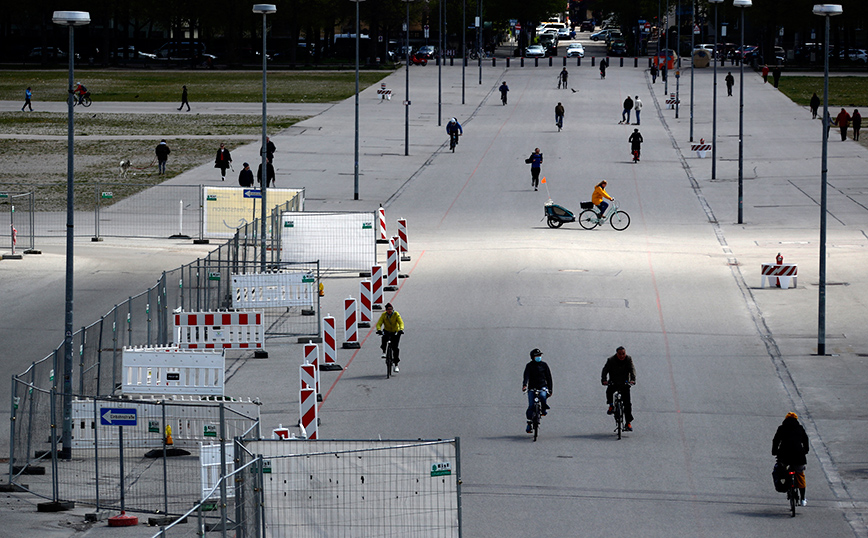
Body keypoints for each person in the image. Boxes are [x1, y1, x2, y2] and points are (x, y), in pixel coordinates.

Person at [772, 412, 810, 506]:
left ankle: (785, 485)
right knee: (800, 475)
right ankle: (803, 498)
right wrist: (805, 450)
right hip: (799, 456)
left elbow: (776, 440)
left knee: (782, 470)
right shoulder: (800, 428)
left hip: (784, 455)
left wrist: (774, 451)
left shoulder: (782, 428)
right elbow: (805, 440)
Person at [601, 346, 636, 432]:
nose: (622, 356)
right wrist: (604, 380)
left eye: (623, 354)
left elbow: (632, 370)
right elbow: (605, 370)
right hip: (614, 382)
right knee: (609, 391)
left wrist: (632, 380)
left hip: (624, 383)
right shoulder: (611, 360)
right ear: (616, 354)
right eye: (620, 354)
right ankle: (611, 405)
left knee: (627, 404)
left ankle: (628, 423)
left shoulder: (628, 359)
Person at [522, 348, 552, 434]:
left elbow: (549, 378)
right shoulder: (529, 366)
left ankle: (543, 408)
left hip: (542, 386)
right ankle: (529, 423)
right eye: (537, 356)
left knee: (543, 396)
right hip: (532, 388)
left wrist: (550, 389)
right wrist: (524, 385)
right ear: (532, 357)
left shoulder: (544, 365)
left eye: (539, 356)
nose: (539, 357)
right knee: (531, 406)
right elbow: (526, 376)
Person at [375, 303, 404, 372]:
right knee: (384, 339)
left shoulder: (396, 314)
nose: (390, 311)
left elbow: (401, 323)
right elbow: (379, 323)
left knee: (395, 348)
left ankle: (396, 364)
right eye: (388, 309)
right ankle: (384, 351)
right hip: (387, 331)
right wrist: (378, 330)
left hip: (395, 332)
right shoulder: (384, 315)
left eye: (391, 309)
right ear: (386, 310)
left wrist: (401, 329)